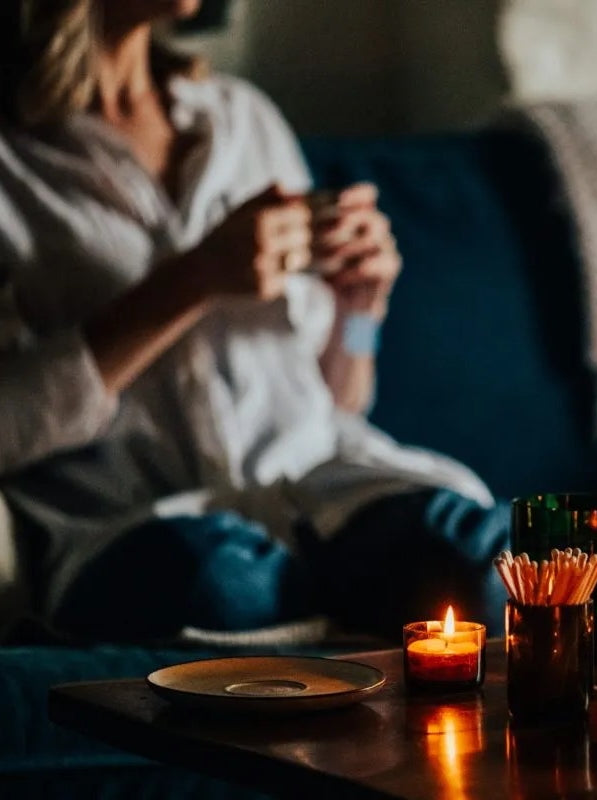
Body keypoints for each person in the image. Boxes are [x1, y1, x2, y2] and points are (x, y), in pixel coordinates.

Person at [0, 0, 510, 642]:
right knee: (218, 592)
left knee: (491, 562)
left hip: (320, 489)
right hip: (140, 525)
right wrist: (196, 279)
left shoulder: (242, 121)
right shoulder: (14, 161)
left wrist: (360, 307)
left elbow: (340, 401)